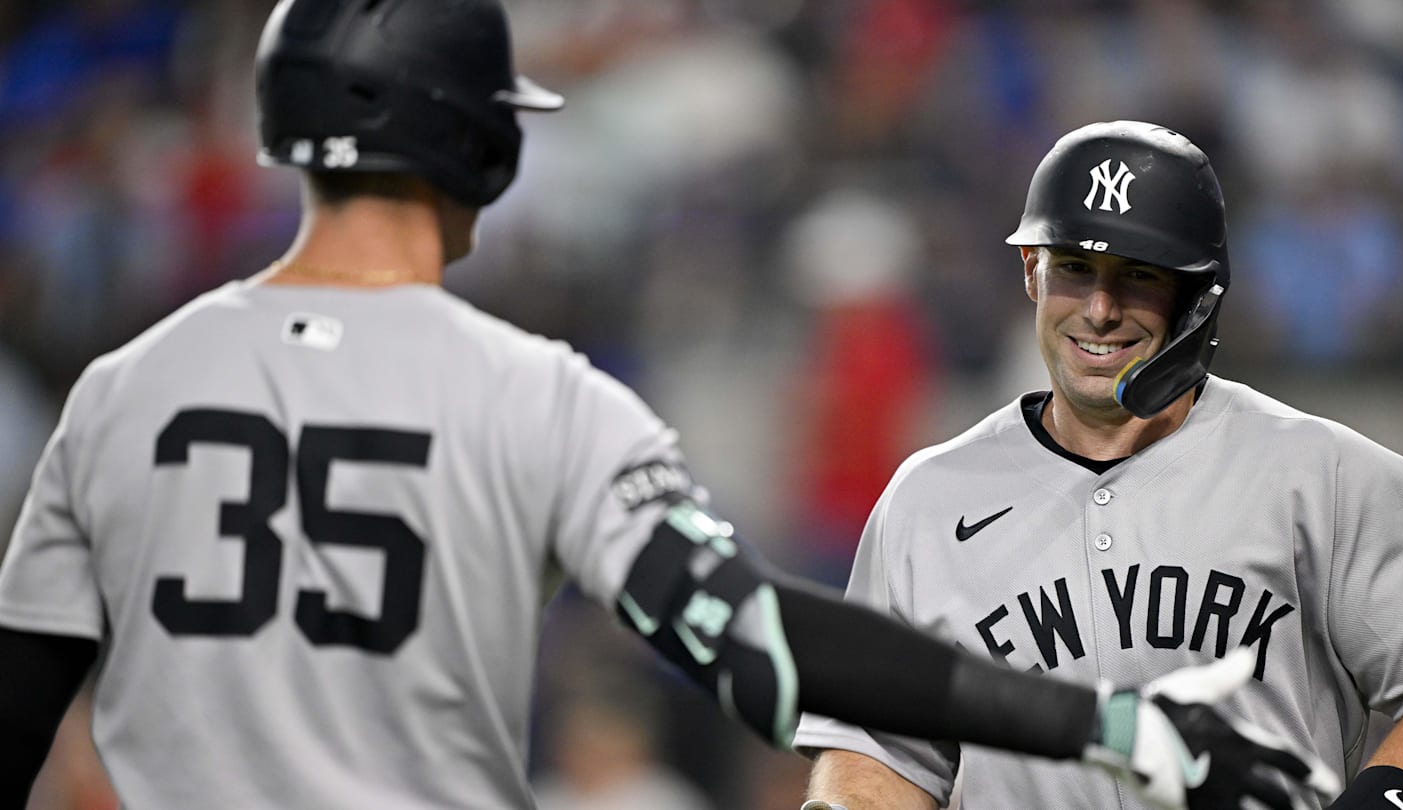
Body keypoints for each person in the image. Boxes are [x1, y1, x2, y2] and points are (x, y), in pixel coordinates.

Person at [0, 4, 1335, 806]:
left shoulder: (122, 391)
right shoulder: (534, 394)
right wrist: (1114, 720)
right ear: (483, 145)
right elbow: (759, 644)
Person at [796, 120, 1403, 810]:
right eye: (1075, 269)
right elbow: (874, 751)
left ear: (1199, 296)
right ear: (1031, 271)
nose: (1100, 310)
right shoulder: (926, 501)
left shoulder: (1326, 475)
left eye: (1138, 276)